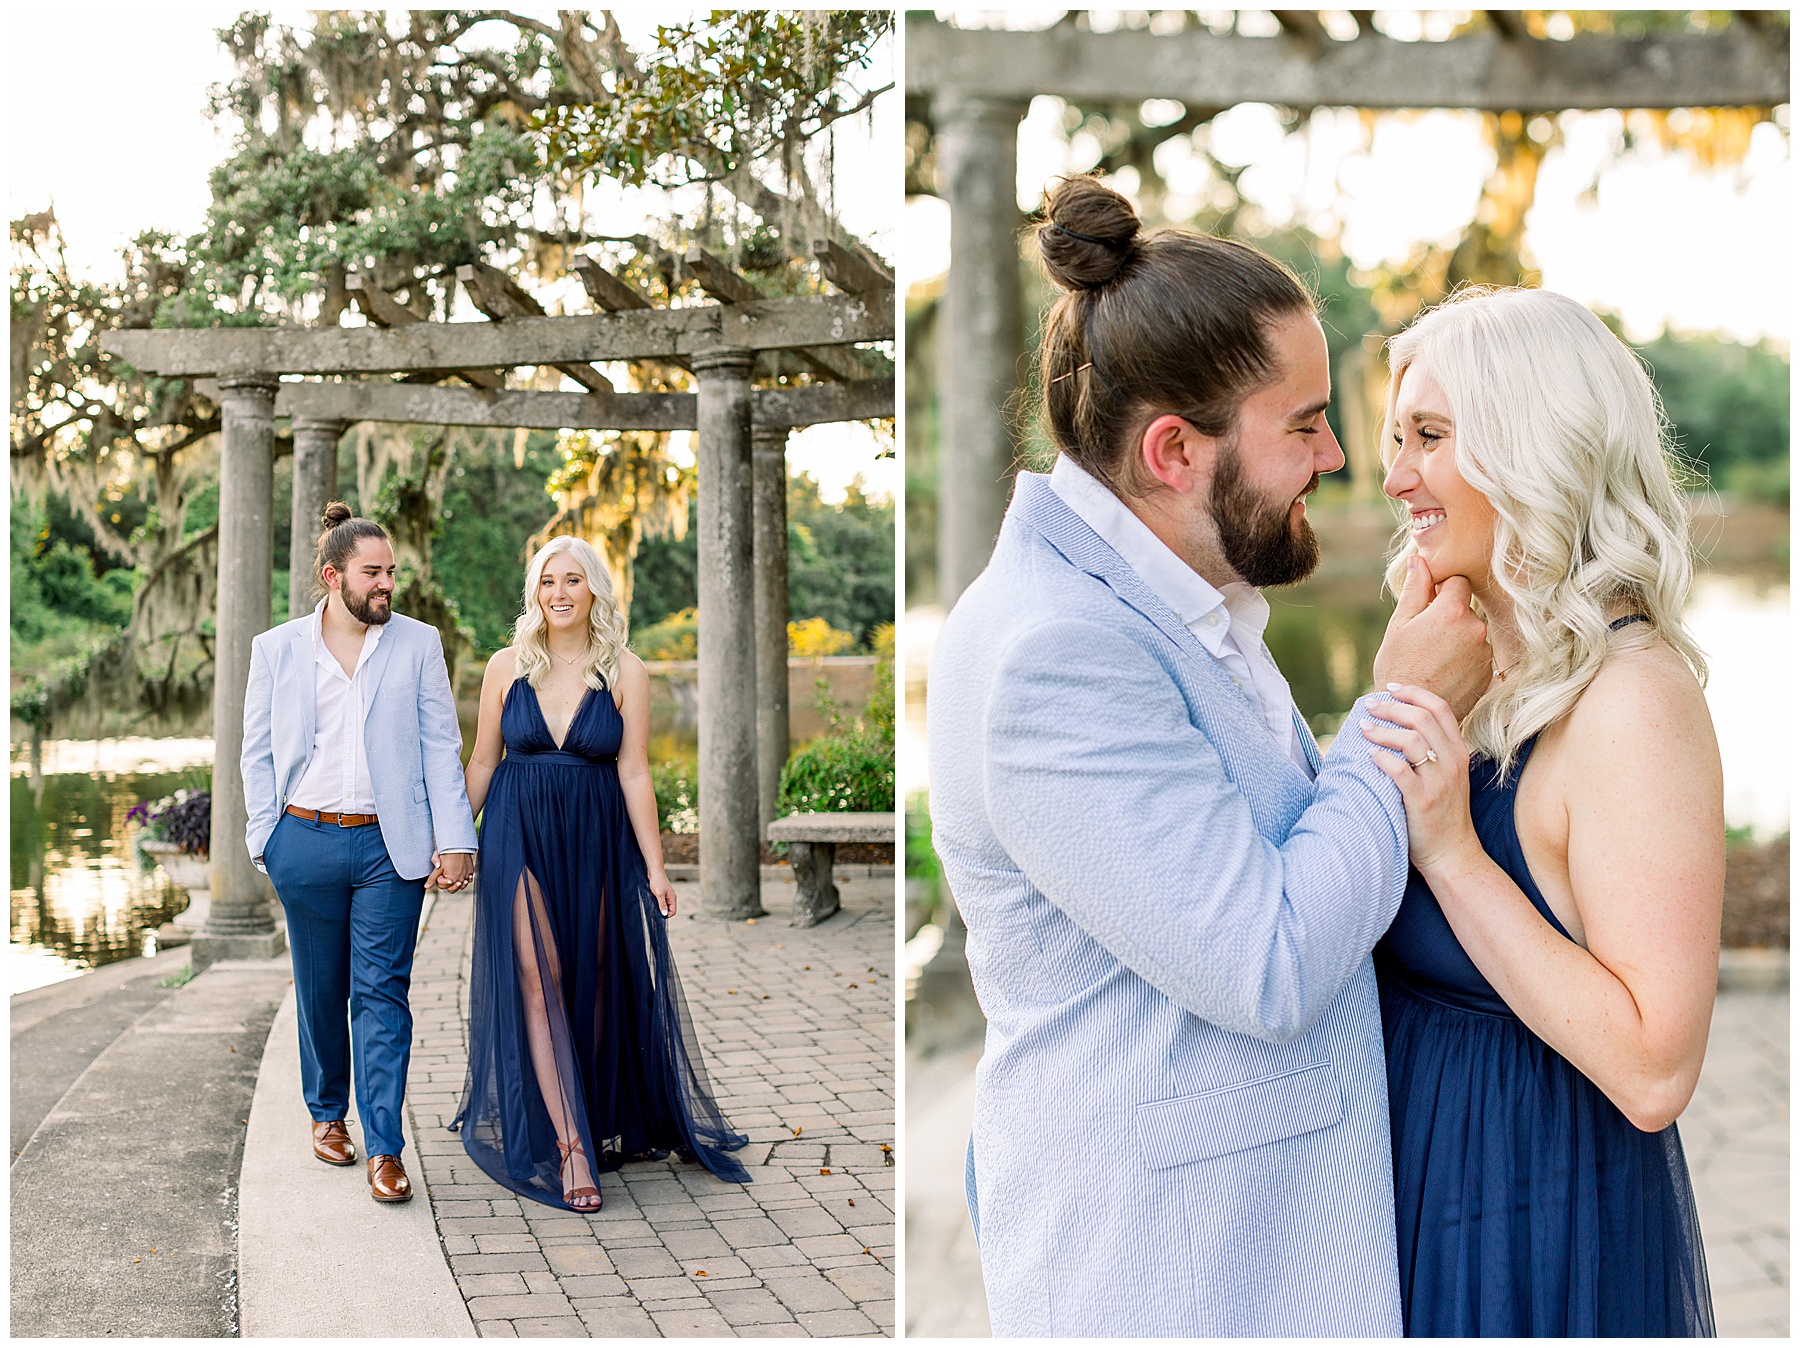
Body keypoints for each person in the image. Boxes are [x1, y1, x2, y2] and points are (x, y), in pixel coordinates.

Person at [925, 175, 1492, 1336]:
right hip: (1175, 1275)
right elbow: (1270, 962)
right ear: (1176, 451)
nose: (1339, 455)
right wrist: (1397, 710)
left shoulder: (1176, 601)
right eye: (1303, 424)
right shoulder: (1056, 653)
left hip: (1257, 1252)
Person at [1363, 286, 1719, 1336]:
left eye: (1429, 436)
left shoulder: (1634, 699)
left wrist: (1449, 847)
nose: (1395, 478)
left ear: (1532, 445)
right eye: (1397, 439)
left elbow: (1657, 1068)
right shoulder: (1463, 667)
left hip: (1536, 1222)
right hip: (1414, 1193)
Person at [451, 535, 748, 1211]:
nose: (559, 593)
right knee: (539, 974)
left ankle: (596, 1108)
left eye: (573, 580)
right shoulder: (505, 667)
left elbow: (635, 770)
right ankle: (571, 1147)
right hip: (517, 832)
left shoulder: (625, 671)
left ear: (595, 592)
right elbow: (483, 764)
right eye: (548, 581)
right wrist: (451, 844)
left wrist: (657, 867)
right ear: (534, 593)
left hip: (596, 837)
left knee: (594, 978)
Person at [243, 502, 478, 1204]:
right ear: (331, 575)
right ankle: (325, 1114)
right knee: (321, 990)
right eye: (372, 573)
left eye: (391, 573)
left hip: (390, 846)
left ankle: (384, 1147)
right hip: (303, 838)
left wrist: (455, 839)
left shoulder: (417, 643)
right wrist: (266, 837)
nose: (386, 585)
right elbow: (255, 751)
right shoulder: (277, 649)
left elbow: (442, 745)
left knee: (382, 994)